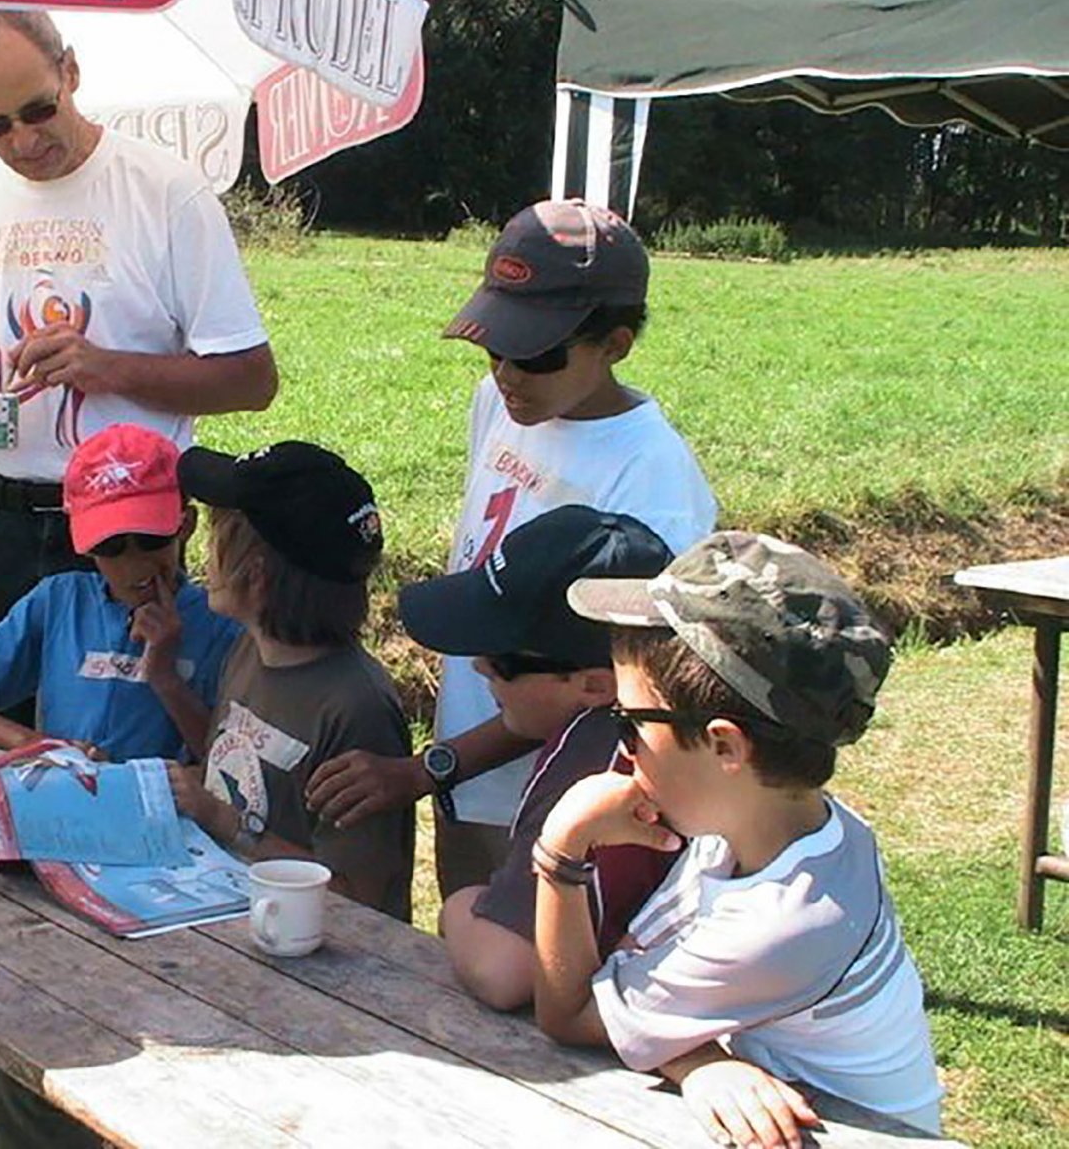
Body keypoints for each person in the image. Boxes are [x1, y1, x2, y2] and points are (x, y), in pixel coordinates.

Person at [305, 199, 717, 899]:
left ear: (615, 343)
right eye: (495, 346)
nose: (508, 373)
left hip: (560, 797)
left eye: (537, 353)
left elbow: (605, 684)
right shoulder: (498, 404)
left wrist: (430, 767)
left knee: (523, 954)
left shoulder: (654, 483)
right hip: (468, 772)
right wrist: (448, 766)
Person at [533, 531, 942, 1147]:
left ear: (725, 745)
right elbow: (627, 970)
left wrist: (561, 850)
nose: (624, 749)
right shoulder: (790, 828)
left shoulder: (784, 922)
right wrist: (693, 1057)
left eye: (629, 723)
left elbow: (568, 1014)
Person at [0, 7, 278, 678]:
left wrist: (107, 368)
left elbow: (251, 379)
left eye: (38, 110)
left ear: (70, 72)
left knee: (119, 725)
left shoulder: (166, 191)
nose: (23, 140)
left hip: (126, 520)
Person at [391, 506, 675, 1011]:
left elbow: (502, 970)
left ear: (595, 686)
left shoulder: (592, 755)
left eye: (504, 661)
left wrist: (458, 905)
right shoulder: (670, 727)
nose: (480, 667)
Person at [167, 441, 415, 920]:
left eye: (218, 537)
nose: (204, 555)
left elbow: (359, 897)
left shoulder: (355, 709)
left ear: (257, 575)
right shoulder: (249, 649)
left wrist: (225, 821)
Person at [0, 422, 241, 760]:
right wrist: (34, 745)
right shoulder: (60, 603)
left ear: (185, 526)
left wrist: (167, 680)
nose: (134, 564)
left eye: (151, 540)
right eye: (110, 546)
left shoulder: (221, 625)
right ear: (83, 542)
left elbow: (232, 761)